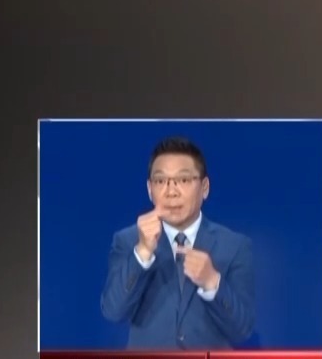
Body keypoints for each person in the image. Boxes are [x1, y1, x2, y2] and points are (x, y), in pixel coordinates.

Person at [100, 137, 256, 349]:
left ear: (204, 188)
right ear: (149, 189)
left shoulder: (235, 246)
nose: (171, 192)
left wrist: (212, 282)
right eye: (160, 181)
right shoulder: (127, 240)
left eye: (183, 180)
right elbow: (113, 312)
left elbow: (242, 330)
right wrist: (142, 253)